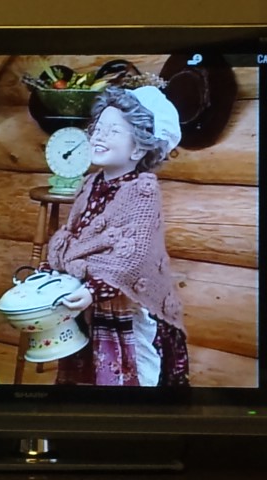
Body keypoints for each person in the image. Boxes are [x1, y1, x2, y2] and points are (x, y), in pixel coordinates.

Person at [46, 85, 189, 386]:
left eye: (113, 131)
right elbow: (74, 232)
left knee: (132, 368)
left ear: (138, 148)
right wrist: (54, 264)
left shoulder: (142, 190)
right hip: (90, 297)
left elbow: (135, 255)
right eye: (97, 128)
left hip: (126, 301)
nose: (98, 136)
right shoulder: (90, 183)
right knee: (86, 366)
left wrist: (96, 287)